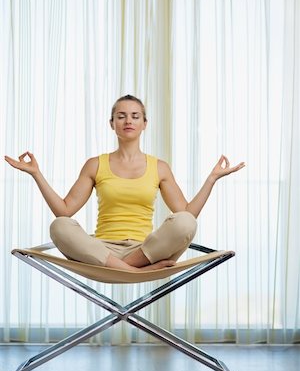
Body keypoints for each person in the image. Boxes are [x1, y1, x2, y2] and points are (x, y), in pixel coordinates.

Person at [5, 94, 245, 272]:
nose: (128, 120)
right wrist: (36, 173)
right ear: (112, 124)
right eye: (121, 116)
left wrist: (211, 179)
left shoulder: (159, 167)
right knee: (60, 225)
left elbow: (186, 215)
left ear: (144, 124)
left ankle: (126, 266)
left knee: (185, 221)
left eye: (135, 116)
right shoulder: (95, 164)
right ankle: (131, 271)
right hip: (101, 251)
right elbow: (65, 210)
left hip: (146, 251)